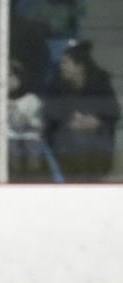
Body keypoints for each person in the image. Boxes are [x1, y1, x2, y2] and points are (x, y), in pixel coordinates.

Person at [43, 40, 121, 181]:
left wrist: (96, 121)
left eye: (66, 63)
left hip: (95, 138)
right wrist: (70, 120)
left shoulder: (100, 84)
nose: (62, 67)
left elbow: (113, 112)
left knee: (91, 143)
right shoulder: (55, 86)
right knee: (75, 140)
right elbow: (49, 115)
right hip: (65, 138)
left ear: (80, 66)